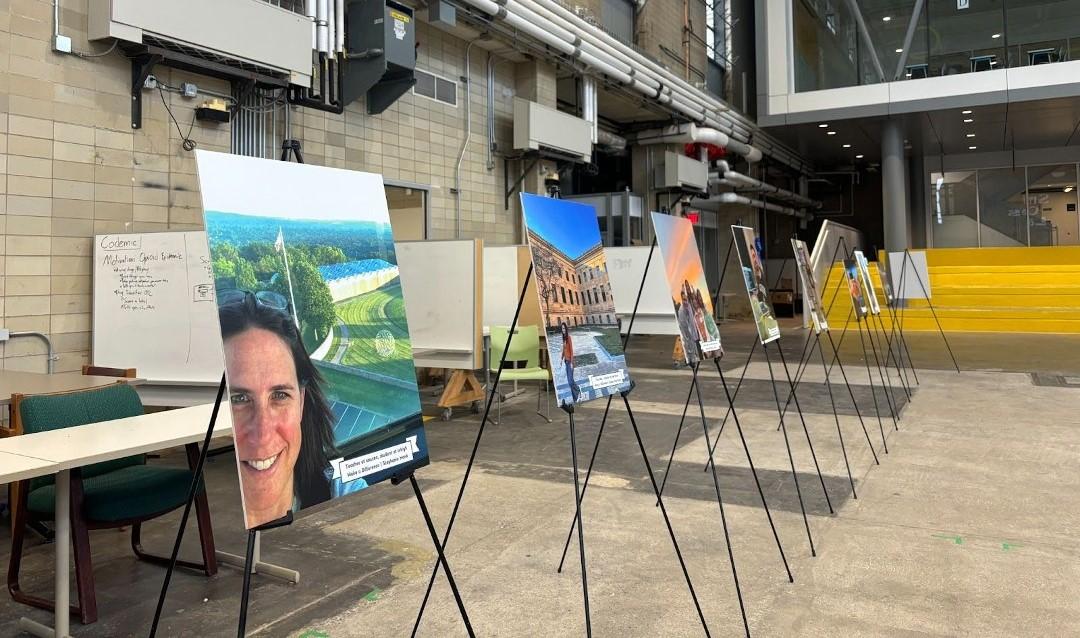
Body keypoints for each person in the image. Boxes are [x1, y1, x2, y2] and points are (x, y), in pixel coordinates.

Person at [218, 289, 337, 529]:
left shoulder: (348, 496)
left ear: (301, 401)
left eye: (280, 395)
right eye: (239, 398)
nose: (262, 432)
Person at [559, 321, 580, 405]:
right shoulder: (563, 338)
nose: (563, 330)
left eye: (564, 328)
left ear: (566, 329)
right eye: (561, 329)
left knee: (571, 381)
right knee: (569, 381)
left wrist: (571, 363)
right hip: (566, 361)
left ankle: (578, 390)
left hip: (570, 362)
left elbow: (571, 351)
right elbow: (564, 351)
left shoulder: (568, 337)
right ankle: (575, 398)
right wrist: (561, 359)